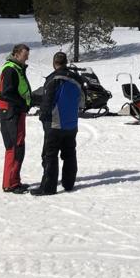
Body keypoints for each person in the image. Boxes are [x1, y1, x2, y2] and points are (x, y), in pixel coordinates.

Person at [32, 51, 84, 196]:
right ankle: (68, 183)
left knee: (50, 154)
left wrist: (43, 116)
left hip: (55, 122)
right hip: (72, 123)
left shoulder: (53, 78)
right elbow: (81, 99)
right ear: (66, 62)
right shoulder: (77, 79)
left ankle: (48, 187)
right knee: (69, 153)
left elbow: (47, 101)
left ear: (54, 63)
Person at [0, 44, 32, 193]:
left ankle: (15, 181)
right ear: (17, 54)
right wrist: (23, 104)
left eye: (27, 55)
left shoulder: (17, 68)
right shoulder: (10, 69)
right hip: (12, 114)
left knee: (18, 147)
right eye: (25, 55)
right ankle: (10, 183)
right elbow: (6, 93)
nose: (27, 58)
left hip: (16, 112)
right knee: (14, 148)